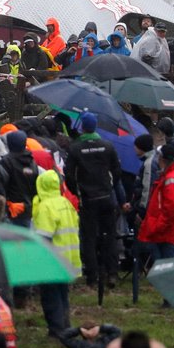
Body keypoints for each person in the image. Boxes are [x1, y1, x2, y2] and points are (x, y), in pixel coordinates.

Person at [65, 111, 126, 288]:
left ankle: (92, 276)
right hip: (107, 197)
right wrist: (110, 186)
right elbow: (117, 170)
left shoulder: (76, 148)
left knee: (89, 238)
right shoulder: (107, 146)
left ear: (82, 127)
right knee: (110, 235)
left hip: (87, 198)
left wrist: (76, 192)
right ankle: (112, 273)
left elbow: (69, 175)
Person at [32, 168, 82, 333]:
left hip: (52, 259)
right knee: (62, 294)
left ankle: (57, 329)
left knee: (50, 296)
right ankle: (66, 324)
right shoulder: (65, 202)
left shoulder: (45, 207)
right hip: (68, 257)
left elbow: (43, 236)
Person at [140, 143, 174, 260]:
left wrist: (157, 227)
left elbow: (171, 209)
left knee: (167, 273)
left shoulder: (170, 179)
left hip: (168, 235)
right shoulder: (172, 176)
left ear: (162, 159)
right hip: (168, 234)